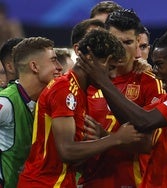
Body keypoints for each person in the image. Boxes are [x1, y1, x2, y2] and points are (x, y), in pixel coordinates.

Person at [78, 4, 167, 187]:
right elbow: (135, 122)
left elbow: (144, 121)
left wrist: (102, 82)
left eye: (160, 64)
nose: (156, 71)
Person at [17, 29, 144, 188]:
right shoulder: (64, 89)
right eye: (110, 68)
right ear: (90, 59)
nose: (112, 76)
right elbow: (67, 151)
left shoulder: (80, 91)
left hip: (61, 182)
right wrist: (115, 138)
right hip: (45, 183)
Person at [78, 9, 165, 188]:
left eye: (128, 42)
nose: (122, 49)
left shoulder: (150, 83)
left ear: (138, 42)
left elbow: (146, 143)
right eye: (116, 42)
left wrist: (105, 136)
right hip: (89, 182)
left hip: (133, 182)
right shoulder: (87, 80)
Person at [0, 37, 63, 188]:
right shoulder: (6, 102)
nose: (60, 67)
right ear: (34, 66)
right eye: (54, 60)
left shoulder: (46, 100)